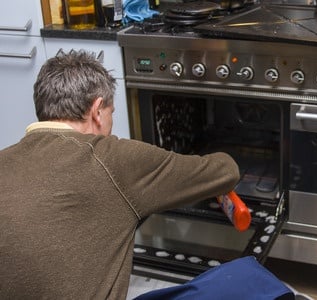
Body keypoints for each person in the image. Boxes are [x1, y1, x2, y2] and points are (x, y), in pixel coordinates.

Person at [0, 50, 240, 299]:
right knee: (248, 277)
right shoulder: (111, 158)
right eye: (111, 112)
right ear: (97, 110)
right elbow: (225, 171)